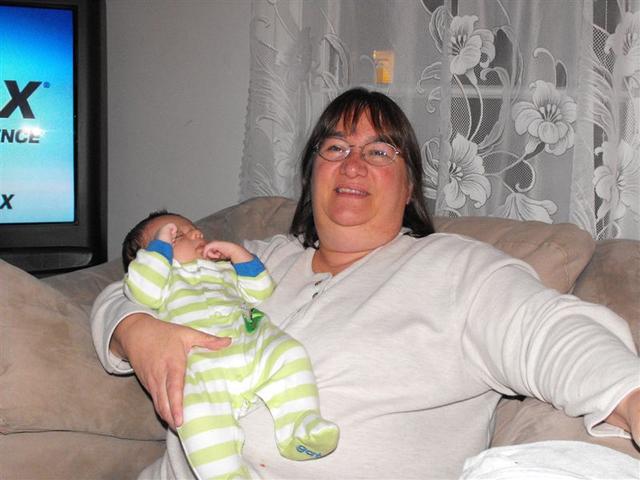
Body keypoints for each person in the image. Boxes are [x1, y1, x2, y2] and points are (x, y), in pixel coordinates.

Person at [91, 87, 640, 479]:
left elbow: (547, 332)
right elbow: (128, 284)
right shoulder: (260, 259)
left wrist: (633, 397)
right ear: (311, 174)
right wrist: (136, 329)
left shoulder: (456, 269)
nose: (353, 164)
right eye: (335, 148)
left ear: (409, 187)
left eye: (379, 151)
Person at [120, 211, 339, 478]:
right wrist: (160, 248)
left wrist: (238, 255)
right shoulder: (161, 283)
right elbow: (141, 289)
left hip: (249, 346)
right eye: (179, 236)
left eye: (194, 229)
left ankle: (299, 427)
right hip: (202, 366)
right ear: (151, 255)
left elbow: (261, 290)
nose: (197, 234)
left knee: (289, 353)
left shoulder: (223, 270)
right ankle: (225, 474)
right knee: (195, 415)